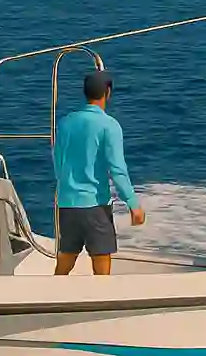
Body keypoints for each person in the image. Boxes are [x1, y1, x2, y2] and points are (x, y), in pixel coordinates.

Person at [52, 70, 145, 275]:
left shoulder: (65, 122)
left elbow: (58, 161)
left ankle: (50, 297)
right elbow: (118, 170)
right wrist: (133, 204)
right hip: (95, 206)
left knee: (66, 258)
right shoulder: (109, 125)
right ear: (107, 92)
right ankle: (101, 300)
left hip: (67, 203)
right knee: (101, 263)